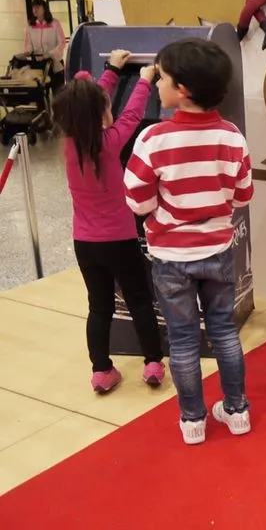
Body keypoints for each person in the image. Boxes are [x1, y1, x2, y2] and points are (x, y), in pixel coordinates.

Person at [124, 38, 254, 446]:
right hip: (217, 250)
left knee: (182, 339)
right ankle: (237, 411)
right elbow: (243, 196)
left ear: (182, 89)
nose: (157, 83)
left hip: (170, 256)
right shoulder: (232, 137)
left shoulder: (153, 139)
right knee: (225, 332)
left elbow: (138, 201)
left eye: (161, 77)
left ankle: (193, 421)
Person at [52, 49, 165, 394]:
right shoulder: (111, 141)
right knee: (140, 300)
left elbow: (86, 103)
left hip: (85, 244)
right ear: (101, 112)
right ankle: (153, 364)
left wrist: (111, 71)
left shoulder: (69, 146)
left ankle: (101, 371)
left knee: (98, 307)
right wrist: (144, 80)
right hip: (121, 240)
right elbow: (131, 115)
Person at [24, 0, 66, 95]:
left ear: (44, 9)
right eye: (33, 7)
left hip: (54, 63)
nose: (35, 10)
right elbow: (28, 43)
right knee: (40, 93)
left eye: (38, 7)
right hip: (38, 63)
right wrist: (28, 51)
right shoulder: (30, 25)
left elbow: (62, 42)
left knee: (58, 91)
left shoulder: (54, 23)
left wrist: (50, 53)